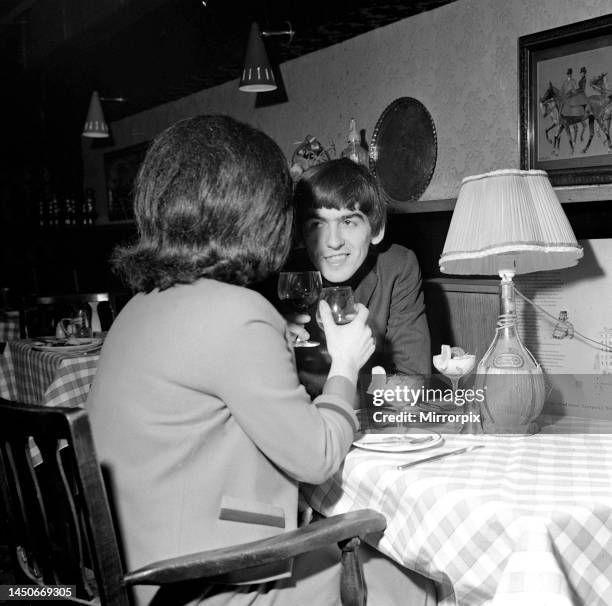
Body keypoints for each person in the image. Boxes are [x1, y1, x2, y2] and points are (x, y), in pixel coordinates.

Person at [87, 115, 435, 606]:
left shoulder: (139, 307)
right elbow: (318, 458)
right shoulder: (238, 312)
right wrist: (344, 365)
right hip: (198, 581)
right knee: (418, 585)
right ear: (258, 212)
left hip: (138, 567)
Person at [285, 158, 431, 397]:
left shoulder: (397, 266)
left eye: (348, 222)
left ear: (376, 230)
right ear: (301, 233)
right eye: (317, 224)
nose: (333, 241)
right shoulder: (284, 276)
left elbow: (414, 378)